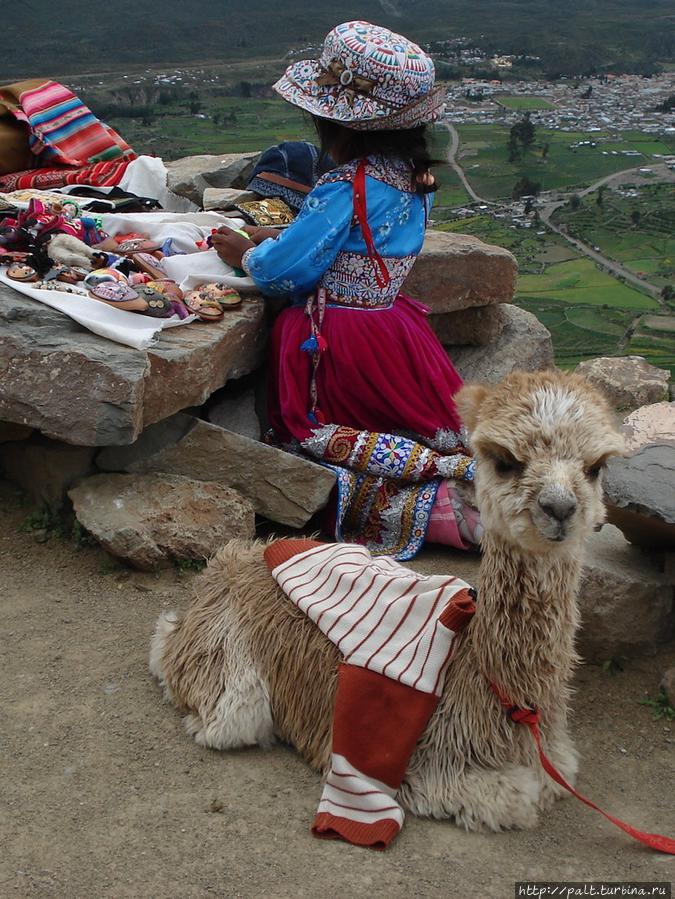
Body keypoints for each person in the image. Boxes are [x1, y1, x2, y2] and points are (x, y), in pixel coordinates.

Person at [213, 20, 482, 560]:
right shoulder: (414, 177)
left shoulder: (346, 184)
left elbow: (284, 272)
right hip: (393, 326)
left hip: (338, 338)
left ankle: (426, 510)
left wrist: (246, 252)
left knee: (312, 430)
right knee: (422, 424)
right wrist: (288, 232)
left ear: (336, 124)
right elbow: (358, 241)